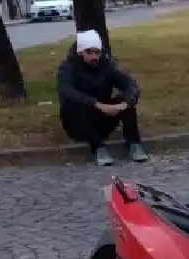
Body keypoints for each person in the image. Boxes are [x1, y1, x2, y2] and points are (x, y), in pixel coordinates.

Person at [57, 29, 146, 168]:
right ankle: (98, 148)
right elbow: (67, 91)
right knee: (75, 106)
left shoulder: (107, 65)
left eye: (97, 52)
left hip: (103, 117)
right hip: (78, 124)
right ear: (80, 52)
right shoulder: (67, 67)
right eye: (89, 52)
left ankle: (134, 143)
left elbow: (130, 84)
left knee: (125, 100)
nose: (94, 57)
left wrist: (125, 104)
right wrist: (95, 104)